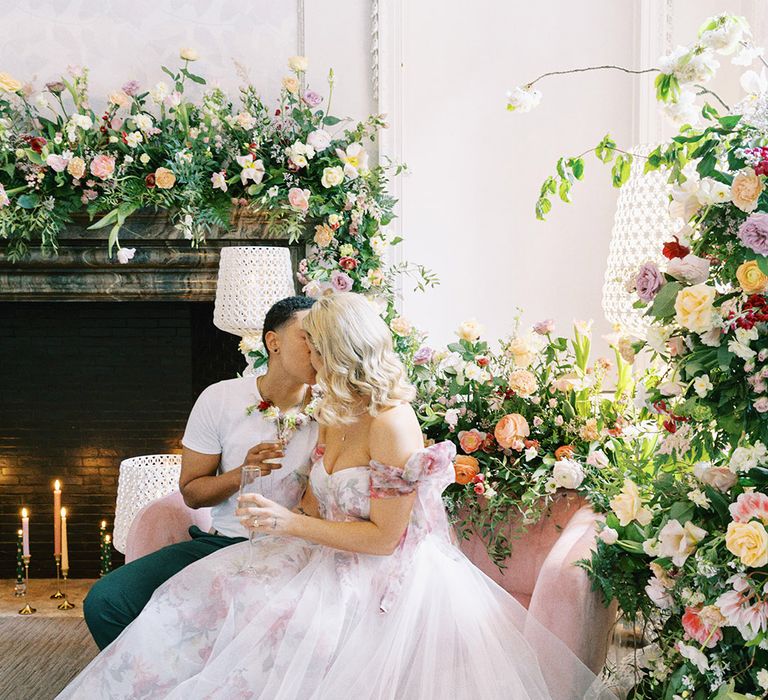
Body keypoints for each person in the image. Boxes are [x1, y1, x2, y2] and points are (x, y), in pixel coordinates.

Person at [61, 293, 614, 699]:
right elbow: (313, 501)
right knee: (205, 597)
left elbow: (384, 539)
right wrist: (280, 512)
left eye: (320, 352)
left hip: (381, 577)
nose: (314, 365)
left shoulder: (393, 425)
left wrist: (288, 524)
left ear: (345, 353)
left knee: (291, 630)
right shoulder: (331, 410)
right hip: (320, 555)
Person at [82, 295, 318, 650]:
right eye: (307, 335)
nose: (319, 346)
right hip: (222, 542)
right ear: (274, 342)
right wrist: (243, 472)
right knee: (107, 600)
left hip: (302, 548)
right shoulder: (220, 399)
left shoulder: (336, 407)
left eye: (324, 337)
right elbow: (192, 491)